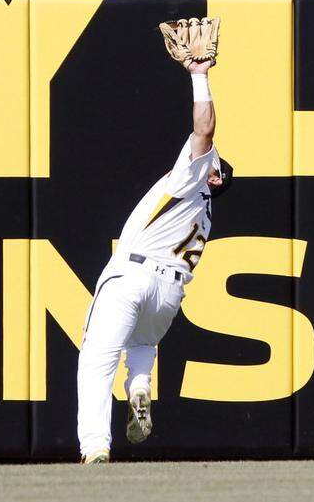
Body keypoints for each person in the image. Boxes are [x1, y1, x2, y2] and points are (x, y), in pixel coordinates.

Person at [76, 56, 233, 464]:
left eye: (211, 162)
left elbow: (204, 129)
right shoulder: (204, 212)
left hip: (135, 274)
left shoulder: (191, 180)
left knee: (96, 359)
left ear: (213, 177)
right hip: (169, 294)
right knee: (142, 341)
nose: (205, 156)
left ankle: (95, 446)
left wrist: (200, 76)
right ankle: (141, 384)